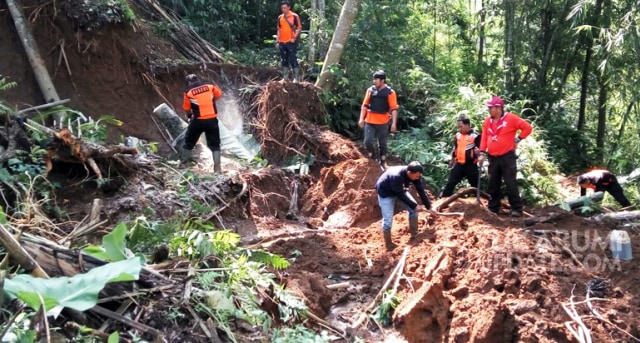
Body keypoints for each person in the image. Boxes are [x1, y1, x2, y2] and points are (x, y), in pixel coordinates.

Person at [478, 96, 532, 217]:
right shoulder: (487, 121)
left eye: (491, 108)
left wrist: (517, 139)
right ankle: (493, 208)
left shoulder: (511, 118)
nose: (489, 110)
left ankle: (516, 209)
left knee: (510, 182)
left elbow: (527, 128)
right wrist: (482, 152)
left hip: (507, 156)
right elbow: (484, 138)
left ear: (498, 108)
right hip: (493, 157)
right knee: (493, 183)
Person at [375, 161, 438, 250]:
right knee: (388, 221)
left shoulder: (415, 175)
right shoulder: (397, 176)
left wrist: (429, 207)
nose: (417, 178)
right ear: (409, 173)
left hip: (400, 190)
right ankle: (389, 245)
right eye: (416, 176)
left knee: (414, 211)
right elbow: (400, 195)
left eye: (419, 176)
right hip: (386, 193)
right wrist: (415, 206)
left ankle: (415, 235)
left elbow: (421, 191)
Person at [182, 74, 223, 173]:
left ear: (189, 82)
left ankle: (183, 164)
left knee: (189, 141)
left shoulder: (188, 92)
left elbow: (186, 108)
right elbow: (219, 95)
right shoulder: (210, 86)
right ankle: (217, 169)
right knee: (215, 145)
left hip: (198, 120)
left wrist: (189, 116)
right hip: (212, 119)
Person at [358, 70, 399, 170]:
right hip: (370, 120)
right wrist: (361, 119)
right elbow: (365, 105)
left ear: (382, 80)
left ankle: (383, 161)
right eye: (374, 79)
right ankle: (372, 157)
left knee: (382, 144)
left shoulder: (390, 92)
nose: (374, 81)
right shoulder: (370, 90)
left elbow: (394, 108)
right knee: (368, 141)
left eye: (376, 79)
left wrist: (394, 123)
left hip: (383, 121)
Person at [440, 116, 481, 197]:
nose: (459, 128)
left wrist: (479, 153)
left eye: (461, 126)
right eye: (458, 127)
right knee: (451, 181)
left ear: (467, 125)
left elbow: (481, 149)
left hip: (471, 164)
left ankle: (479, 200)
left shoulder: (475, 136)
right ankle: (443, 198)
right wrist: (452, 159)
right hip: (459, 163)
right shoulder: (458, 135)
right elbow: (455, 148)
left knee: (475, 184)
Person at [276, 1, 302, 82]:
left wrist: (294, 37)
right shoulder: (280, 17)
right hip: (282, 42)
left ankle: (296, 78)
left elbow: (299, 28)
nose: (283, 9)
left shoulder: (294, 16)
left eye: (285, 8)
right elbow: (279, 30)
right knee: (284, 60)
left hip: (291, 42)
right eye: (282, 8)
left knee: (293, 59)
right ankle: (285, 77)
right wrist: (277, 41)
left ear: (289, 7)